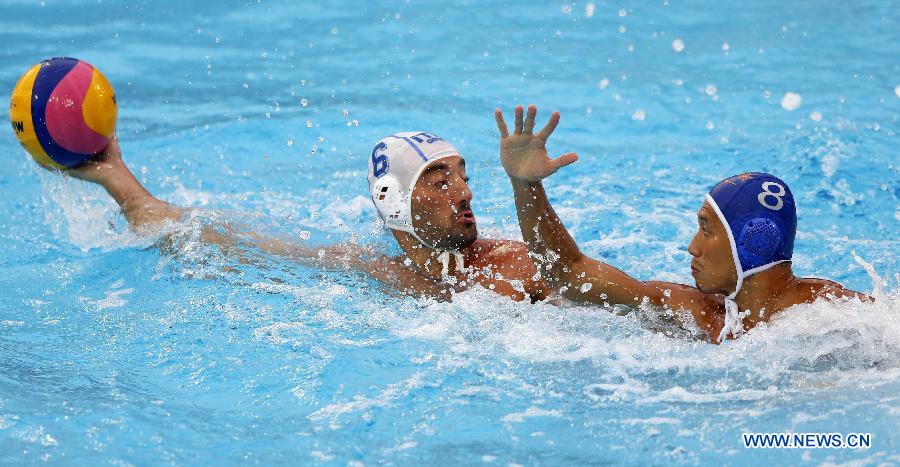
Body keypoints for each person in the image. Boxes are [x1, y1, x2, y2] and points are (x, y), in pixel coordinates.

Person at [495, 105, 868, 342]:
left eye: (707, 229)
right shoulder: (701, 312)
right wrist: (526, 186)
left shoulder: (829, 312)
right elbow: (570, 274)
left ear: (753, 241)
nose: (693, 246)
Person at [63, 132, 548, 302]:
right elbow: (203, 234)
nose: (464, 192)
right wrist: (115, 177)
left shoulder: (513, 265)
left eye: (464, 176)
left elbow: (585, 286)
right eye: (440, 181)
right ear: (394, 202)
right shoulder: (375, 269)